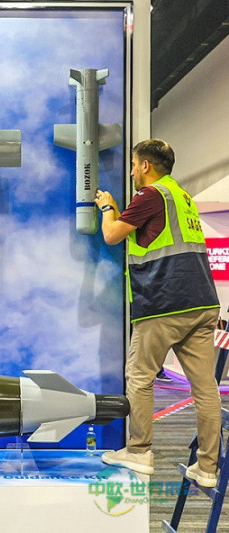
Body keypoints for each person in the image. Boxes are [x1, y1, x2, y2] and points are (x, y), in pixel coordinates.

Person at [95, 139, 221, 488]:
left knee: (139, 376)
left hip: (165, 302)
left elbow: (112, 235)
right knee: (206, 389)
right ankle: (207, 468)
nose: (132, 172)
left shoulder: (150, 196)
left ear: (146, 166)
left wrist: (108, 207)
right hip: (203, 303)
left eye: (134, 165)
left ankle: (139, 451)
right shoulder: (182, 197)